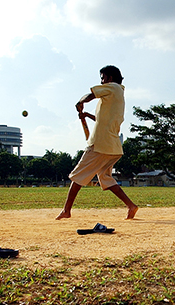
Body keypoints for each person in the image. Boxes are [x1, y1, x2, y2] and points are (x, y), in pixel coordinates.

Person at [56, 65, 138, 220]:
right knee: (105, 177)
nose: (101, 81)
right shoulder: (118, 93)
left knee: (78, 176)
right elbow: (104, 120)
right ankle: (131, 206)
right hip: (113, 147)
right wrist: (87, 115)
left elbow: (91, 94)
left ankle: (66, 210)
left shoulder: (112, 87)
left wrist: (81, 102)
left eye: (103, 77)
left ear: (110, 78)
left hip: (100, 145)